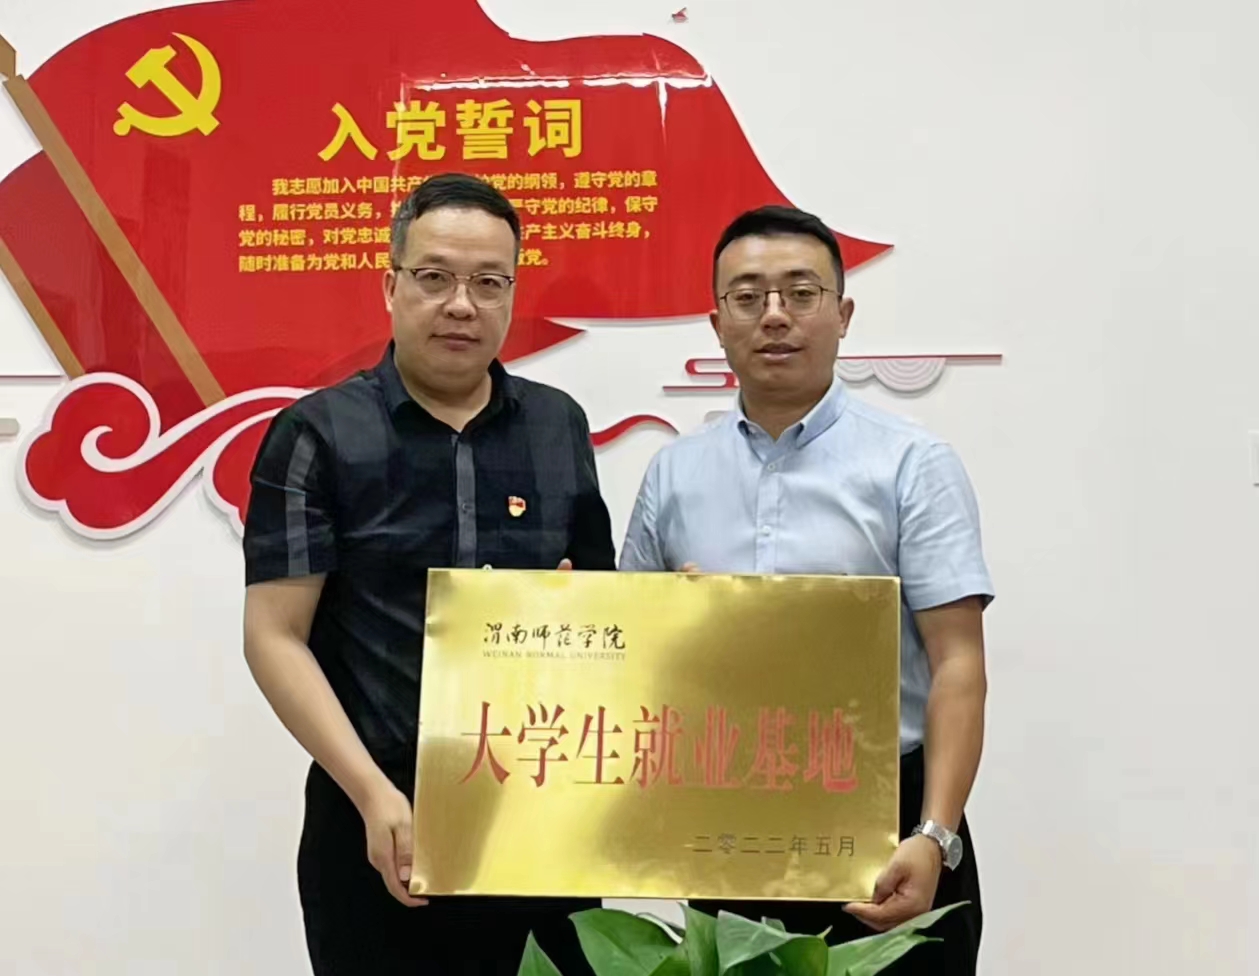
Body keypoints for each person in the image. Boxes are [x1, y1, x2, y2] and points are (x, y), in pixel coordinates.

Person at [241, 173, 615, 975]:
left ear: (512, 293)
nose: (461, 305)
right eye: (435, 277)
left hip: (539, 811)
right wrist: (370, 791)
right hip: (376, 817)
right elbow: (274, 636)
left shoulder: (557, 425)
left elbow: (599, 607)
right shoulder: (317, 433)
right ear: (391, 285)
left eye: (489, 283)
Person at [619, 205, 993, 973]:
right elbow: (632, 654)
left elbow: (957, 664)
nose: (774, 316)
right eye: (747, 296)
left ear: (842, 315)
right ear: (716, 323)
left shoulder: (910, 465)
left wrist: (934, 836)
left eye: (800, 292)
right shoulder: (673, 475)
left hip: (887, 821)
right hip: (727, 821)